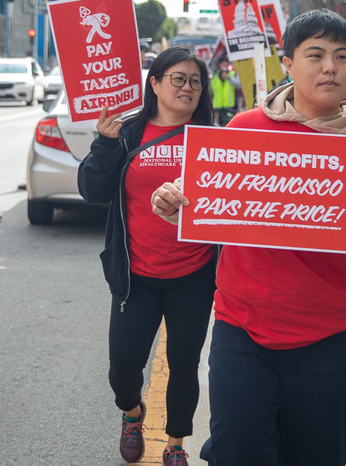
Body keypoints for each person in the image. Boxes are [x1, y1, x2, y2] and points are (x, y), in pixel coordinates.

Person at [152, 9, 346, 465]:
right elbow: (201, 203)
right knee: (237, 452)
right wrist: (172, 204)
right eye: (315, 55)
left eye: (342, 57)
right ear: (287, 63)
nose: (330, 67)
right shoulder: (245, 130)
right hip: (243, 331)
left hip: (333, 340)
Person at [77, 47, 217, 466]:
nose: (187, 87)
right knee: (123, 364)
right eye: (177, 78)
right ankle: (132, 414)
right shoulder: (126, 134)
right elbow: (92, 191)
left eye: (195, 81)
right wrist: (103, 144)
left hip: (194, 273)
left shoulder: (214, 138)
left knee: (184, 365)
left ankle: (176, 446)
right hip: (136, 274)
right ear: (153, 83)